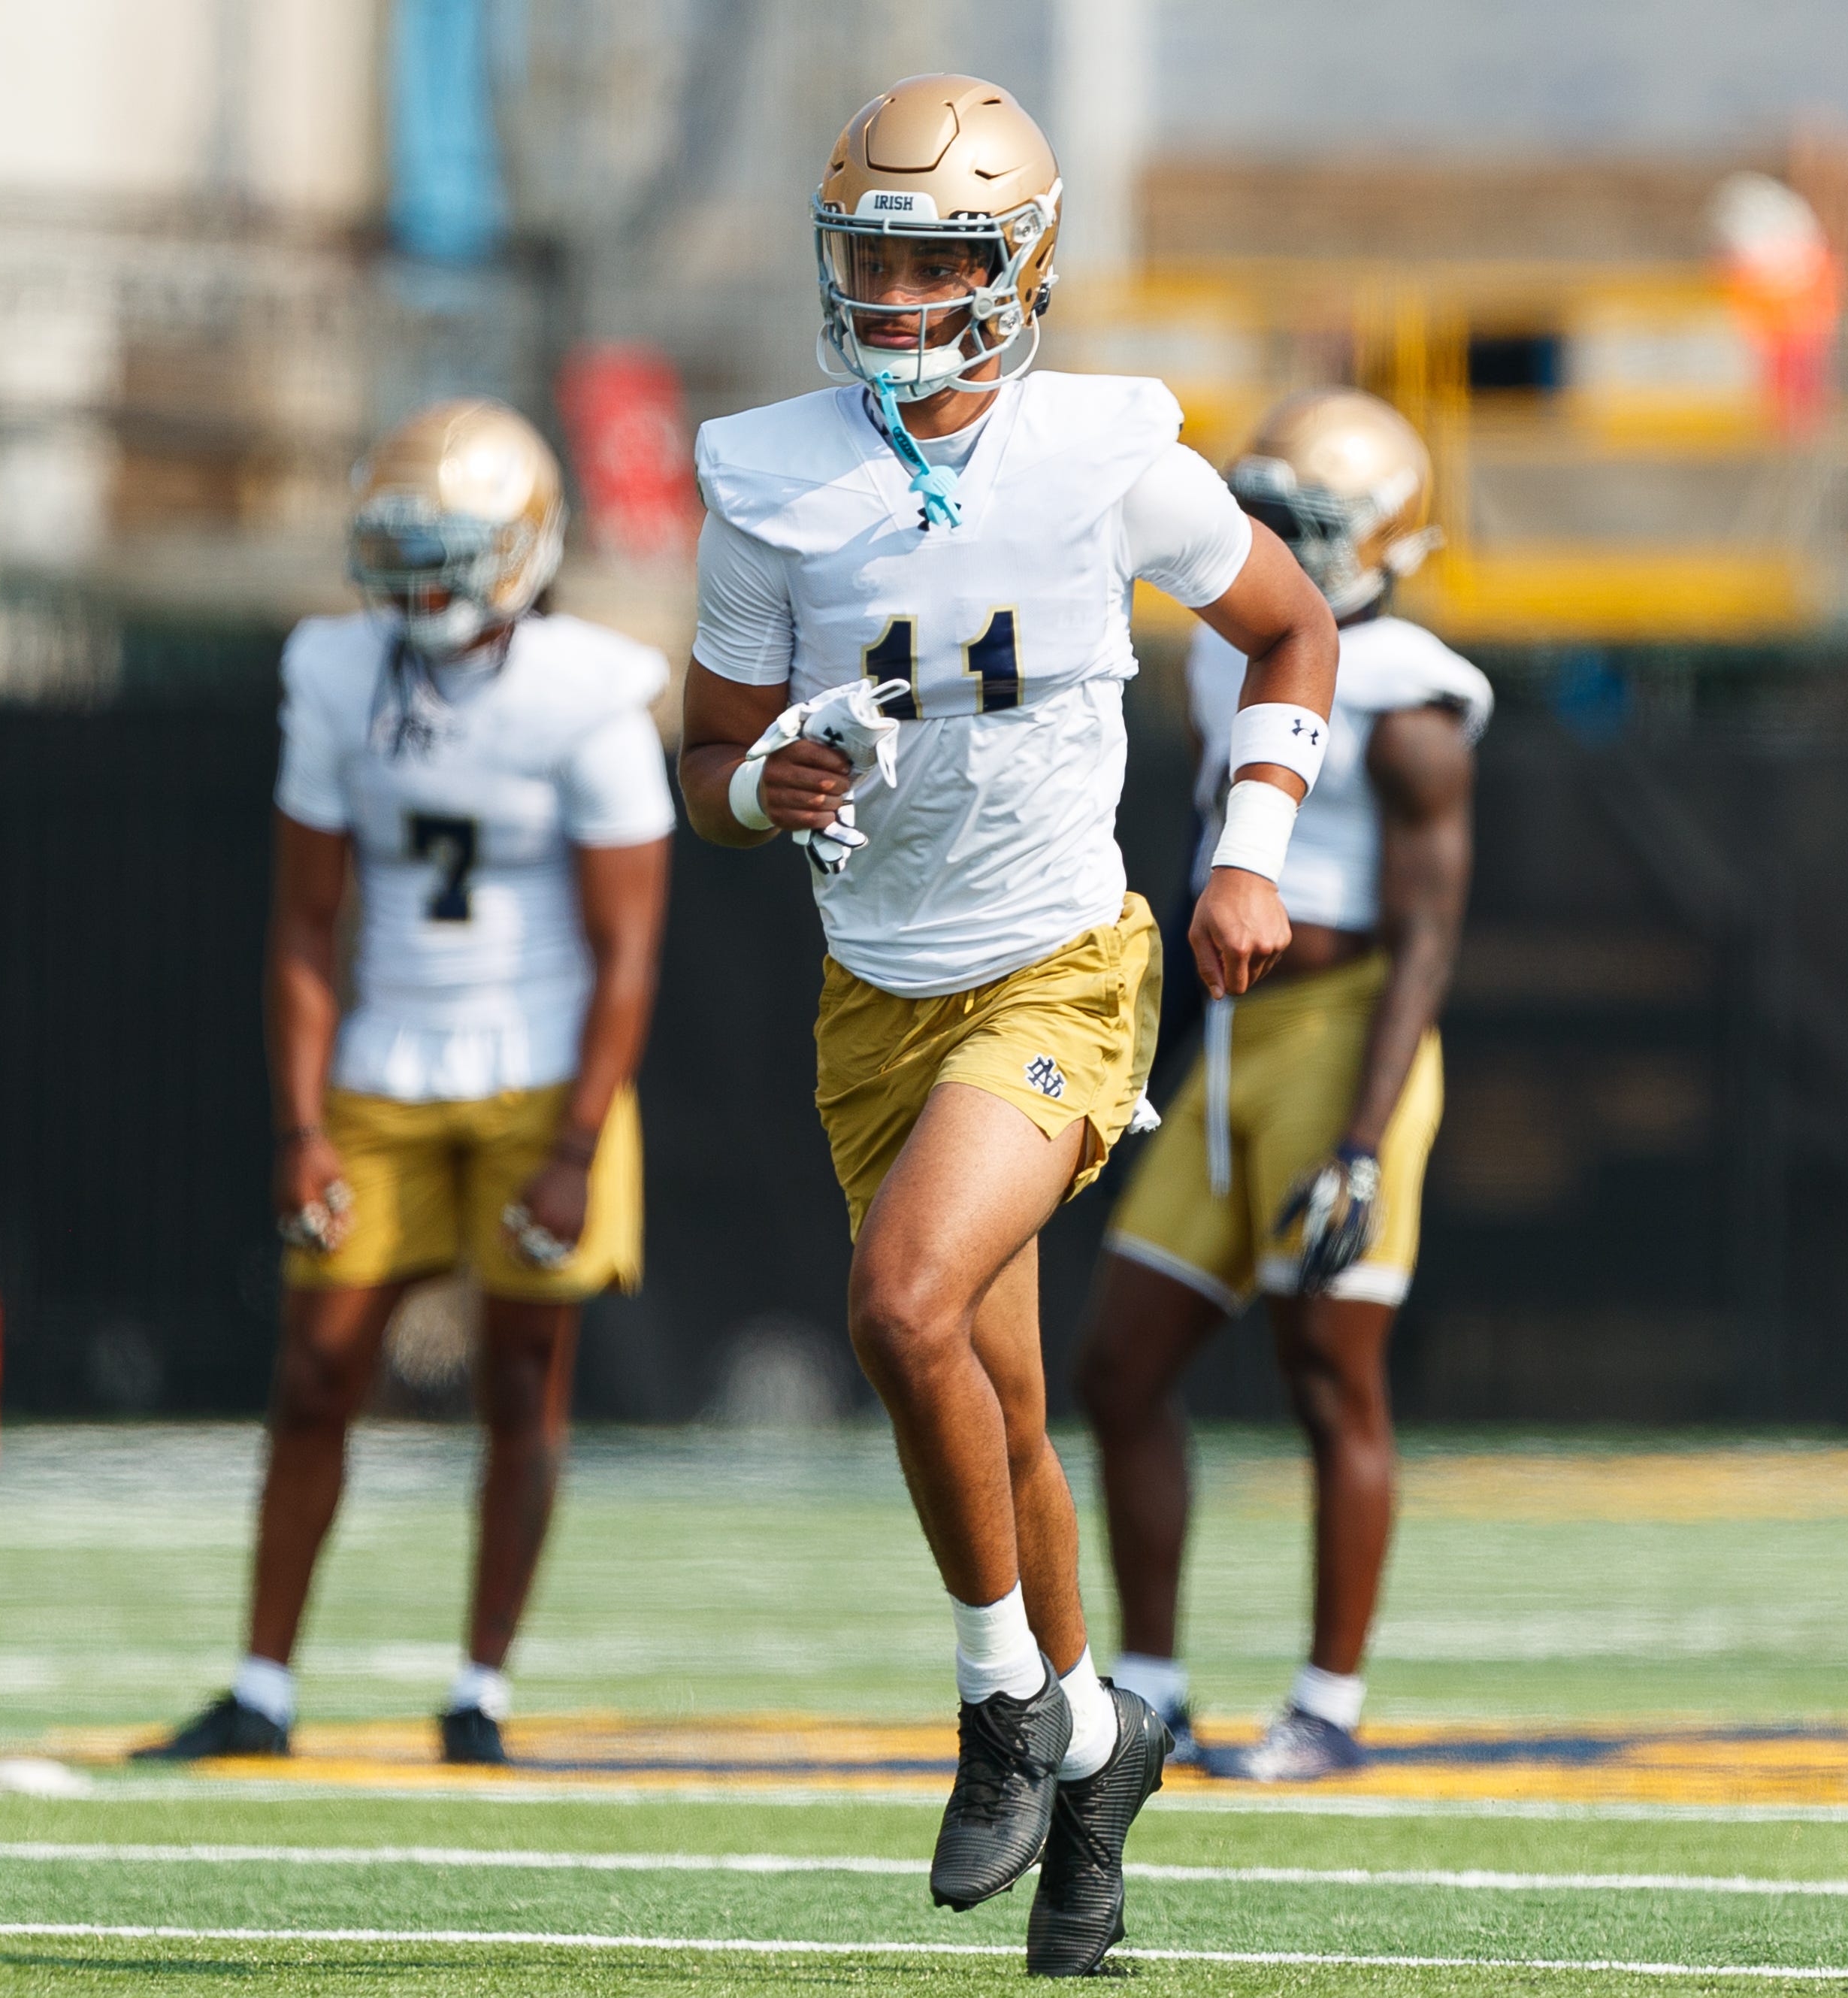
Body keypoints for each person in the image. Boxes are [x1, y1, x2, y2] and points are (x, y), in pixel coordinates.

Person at [677, 75, 1340, 1975]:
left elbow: (1291, 631)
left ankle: (999, 1705)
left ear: (1017, 265)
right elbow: (703, 759)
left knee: (895, 1304)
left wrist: (1247, 849)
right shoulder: (768, 470)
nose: (891, 293)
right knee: (1004, 1409)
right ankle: (1100, 1747)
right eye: (868, 254)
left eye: (932, 256)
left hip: (1058, 959)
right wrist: (755, 795)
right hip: (872, 987)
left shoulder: (1106, 447)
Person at [138, 399, 673, 1767]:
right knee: (318, 1367)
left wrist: (578, 1138)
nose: (425, 583)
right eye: (408, 551)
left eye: (453, 553)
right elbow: (306, 924)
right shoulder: (335, 671)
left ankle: (479, 1687)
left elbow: (627, 952)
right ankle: (261, 1683)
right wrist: (301, 1122)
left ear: (525, 550)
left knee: (521, 1376)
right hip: (384, 1062)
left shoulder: (588, 691)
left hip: (545, 1067)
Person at [1078, 390, 1488, 1780]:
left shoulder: (1416, 698)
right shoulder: (1221, 649)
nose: (1269, 547)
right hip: (1239, 1041)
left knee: (1330, 1375)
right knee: (1121, 1360)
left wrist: (1366, 1138)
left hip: (1352, 1038)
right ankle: (1154, 1681)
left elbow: (1429, 939)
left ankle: (1329, 1699)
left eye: (1303, 525)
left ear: (1380, 542)